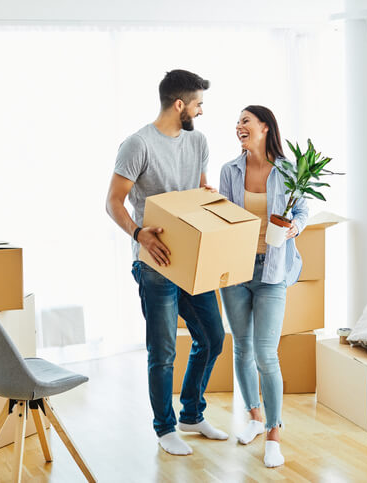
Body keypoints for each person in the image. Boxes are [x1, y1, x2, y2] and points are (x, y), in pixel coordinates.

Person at [105, 70, 228, 456]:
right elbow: (113, 201)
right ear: (180, 105)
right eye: (198, 104)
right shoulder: (137, 144)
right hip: (155, 263)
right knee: (163, 350)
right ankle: (165, 427)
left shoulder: (198, 141)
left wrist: (208, 194)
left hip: (193, 258)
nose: (201, 111)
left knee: (212, 337)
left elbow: (197, 190)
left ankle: (192, 412)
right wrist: (138, 232)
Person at [219, 105, 308, 468]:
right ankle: (255, 419)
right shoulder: (229, 171)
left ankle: (274, 433)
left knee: (266, 354)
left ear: (265, 128)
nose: (239, 126)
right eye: (237, 122)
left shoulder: (288, 171)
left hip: (273, 271)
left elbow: (302, 211)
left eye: (246, 121)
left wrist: (293, 229)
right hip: (235, 272)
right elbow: (221, 216)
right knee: (241, 347)